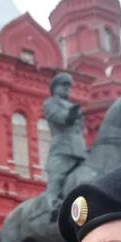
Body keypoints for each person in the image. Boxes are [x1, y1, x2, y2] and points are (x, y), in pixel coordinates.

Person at [41, 73, 87, 210]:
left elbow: (81, 130)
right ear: (55, 88)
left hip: (80, 150)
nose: (67, 88)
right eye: (64, 85)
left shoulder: (73, 106)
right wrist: (73, 113)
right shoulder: (50, 103)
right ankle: (53, 207)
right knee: (56, 179)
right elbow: (60, 118)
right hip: (62, 149)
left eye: (68, 86)